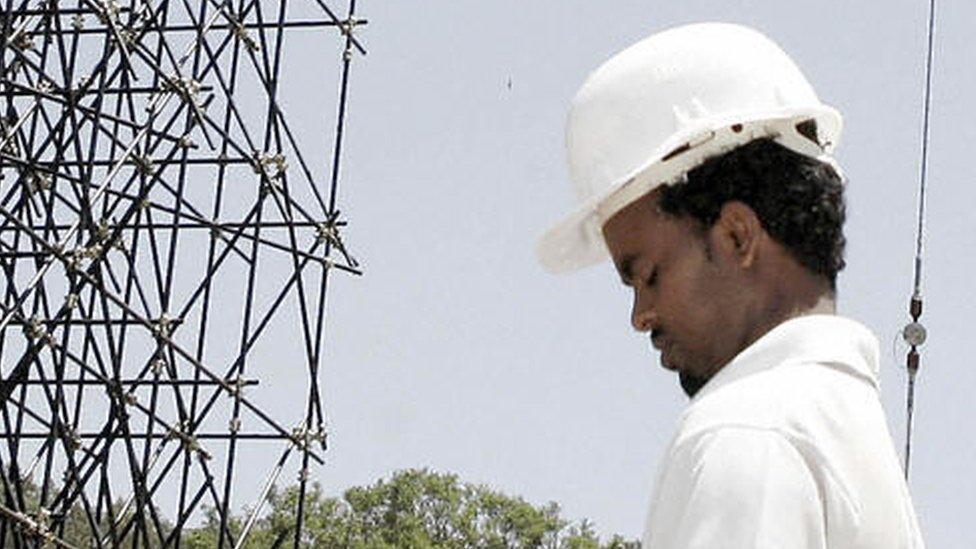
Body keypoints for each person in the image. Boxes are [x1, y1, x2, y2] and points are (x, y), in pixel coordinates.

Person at [536, 23, 925, 548]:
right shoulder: (844, 430)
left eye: (647, 275)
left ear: (738, 236)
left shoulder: (749, 432)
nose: (640, 316)